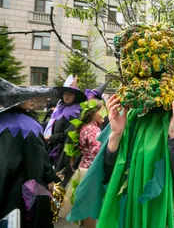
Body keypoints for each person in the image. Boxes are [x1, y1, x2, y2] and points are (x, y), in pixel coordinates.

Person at [67, 23, 174, 228]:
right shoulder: (131, 117)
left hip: (169, 218)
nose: (150, 81)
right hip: (131, 214)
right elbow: (108, 174)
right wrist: (115, 134)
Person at [0, 78, 60, 228]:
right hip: (23, 189)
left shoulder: (2, 120)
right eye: (26, 97)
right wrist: (50, 178)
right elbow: (39, 160)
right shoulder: (28, 126)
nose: (32, 99)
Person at [59, 99, 106, 228]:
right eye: (102, 110)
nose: (105, 113)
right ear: (93, 113)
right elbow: (99, 153)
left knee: (86, 205)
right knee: (91, 207)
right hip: (92, 172)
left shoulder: (86, 127)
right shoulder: (92, 130)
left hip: (83, 170)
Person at [44, 75, 87, 172]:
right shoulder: (60, 109)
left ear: (75, 96)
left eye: (70, 94)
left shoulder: (76, 112)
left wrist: (51, 138)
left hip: (64, 151)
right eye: (65, 94)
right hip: (55, 147)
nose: (67, 96)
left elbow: (69, 133)